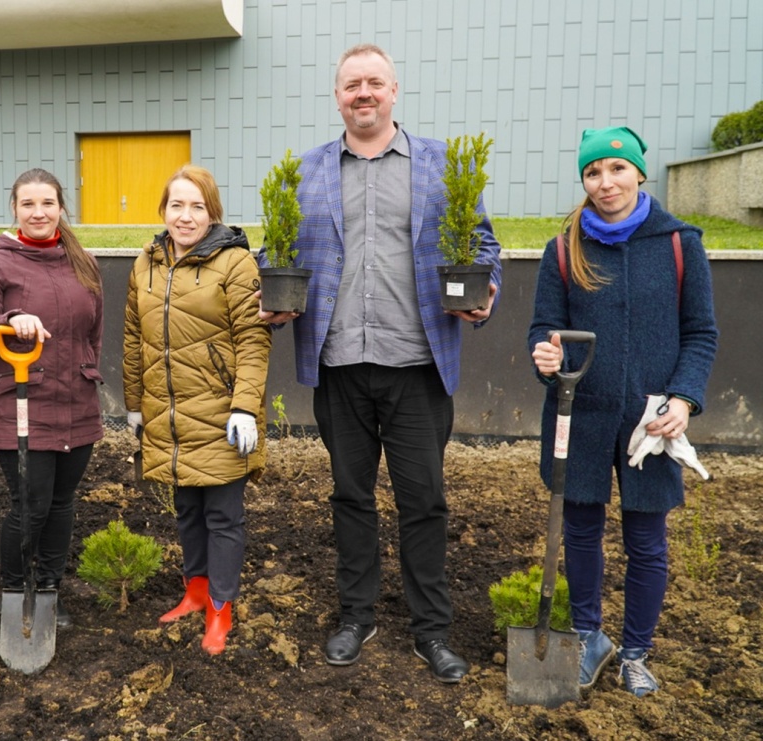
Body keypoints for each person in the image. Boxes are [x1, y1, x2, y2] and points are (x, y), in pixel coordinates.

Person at [258, 44, 502, 682]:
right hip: (339, 366)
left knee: (424, 502)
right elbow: (274, 249)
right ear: (336, 96)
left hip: (417, 366)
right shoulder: (307, 171)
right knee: (350, 496)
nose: (362, 94)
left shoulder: (442, 165)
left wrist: (488, 291)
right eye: (350, 85)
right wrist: (271, 293)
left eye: (373, 83)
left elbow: (481, 244)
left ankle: (432, 630)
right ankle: (356, 616)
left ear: (394, 89)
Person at [528, 126, 718, 697]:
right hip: (579, 413)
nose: (604, 182)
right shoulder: (565, 247)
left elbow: (700, 333)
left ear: (640, 172)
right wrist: (544, 354)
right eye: (592, 173)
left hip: (651, 422)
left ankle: (636, 650)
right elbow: (544, 328)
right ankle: (590, 636)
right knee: (580, 533)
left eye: (615, 169)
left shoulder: (680, 244)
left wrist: (683, 399)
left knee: (646, 542)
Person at [124, 165, 272, 656]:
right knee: (186, 509)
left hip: (221, 412)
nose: (185, 216)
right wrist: (134, 405)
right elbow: (132, 339)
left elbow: (253, 339)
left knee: (223, 515)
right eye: (176, 206)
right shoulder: (145, 262)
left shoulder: (235, 264)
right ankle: (195, 592)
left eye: (197, 207)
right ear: (163, 210)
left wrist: (246, 407)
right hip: (167, 414)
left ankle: (221, 609)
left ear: (213, 213)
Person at [0, 168, 104, 630]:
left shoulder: (82, 261)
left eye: (47, 203)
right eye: (28, 204)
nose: (39, 212)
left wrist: (87, 374)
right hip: (22, 403)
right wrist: (11, 318)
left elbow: (93, 334)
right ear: (15, 209)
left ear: (62, 207)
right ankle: (15, 591)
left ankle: (48, 590)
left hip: (76, 403)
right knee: (31, 504)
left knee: (62, 502)